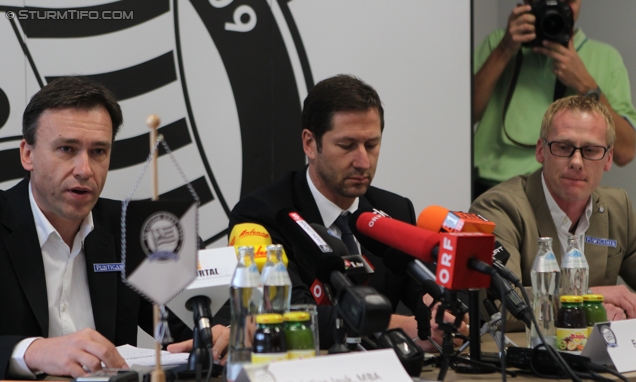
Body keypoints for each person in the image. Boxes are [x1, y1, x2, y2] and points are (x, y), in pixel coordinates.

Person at [0, 76, 228, 381]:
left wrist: (221, 331)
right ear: (27, 154)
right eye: (67, 149)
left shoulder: (132, 229)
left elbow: (194, 319)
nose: (84, 170)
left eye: (98, 152)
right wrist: (32, 352)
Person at [229, 74, 466, 351]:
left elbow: (424, 293)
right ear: (309, 144)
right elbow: (289, 316)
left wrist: (441, 311)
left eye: (372, 145)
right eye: (347, 146)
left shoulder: (394, 211)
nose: (363, 161)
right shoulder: (264, 215)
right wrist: (404, 325)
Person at [470, 95, 636, 329]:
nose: (577, 161)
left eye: (590, 150)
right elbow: (500, 305)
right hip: (527, 358)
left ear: (608, 159)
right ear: (541, 151)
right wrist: (591, 302)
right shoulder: (499, 208)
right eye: (563, 147)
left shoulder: (618, 207)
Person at [473, 0, 636, 196]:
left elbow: (625, 152)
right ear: (526, 3)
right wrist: (505, 49)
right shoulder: (499, 43)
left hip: (564, 198)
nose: (556, 8)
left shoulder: (606, 58)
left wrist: (587, 86)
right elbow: (461, 118)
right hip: (492, 190)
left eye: (567, 2)